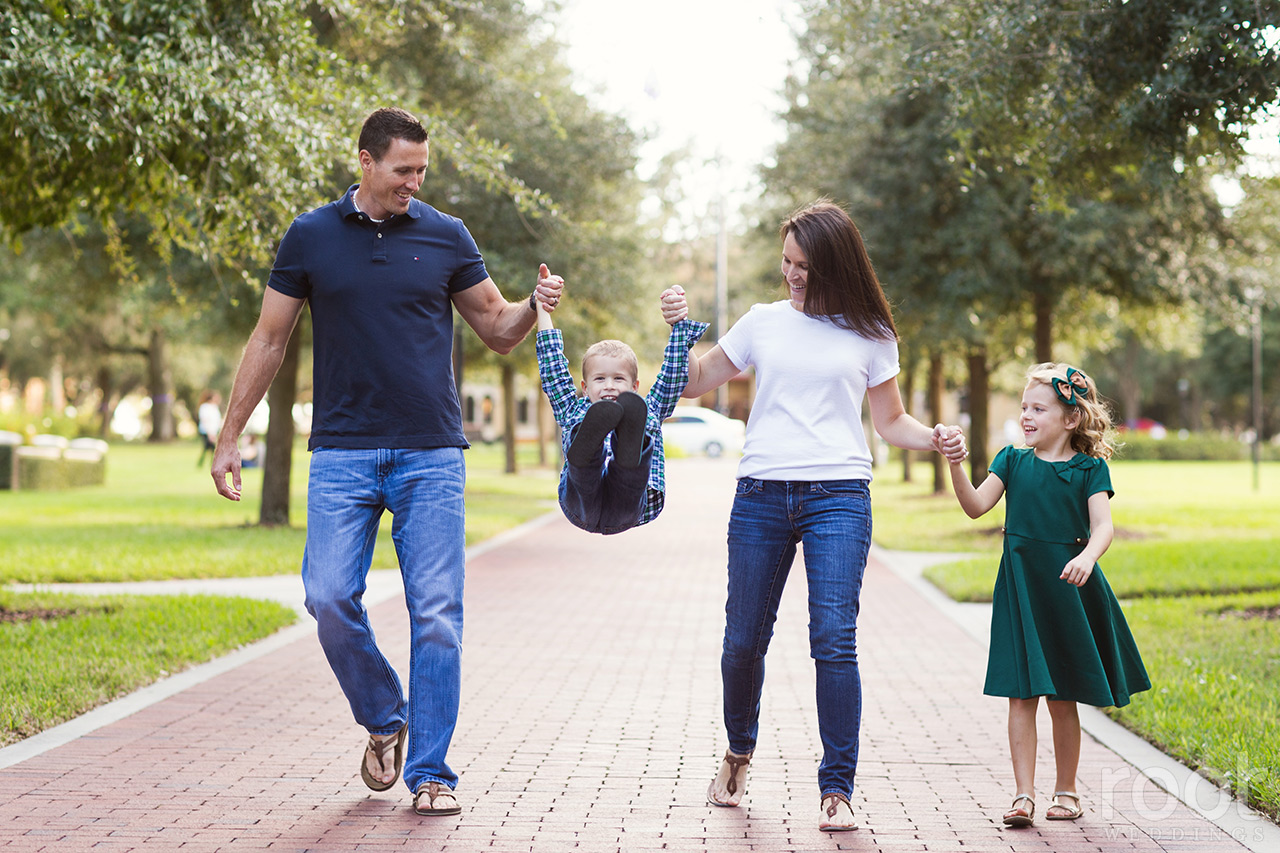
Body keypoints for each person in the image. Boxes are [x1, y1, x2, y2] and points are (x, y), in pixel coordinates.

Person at [210, 107, 564, 817]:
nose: (414, 182)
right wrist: (229, 436)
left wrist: (533, 305)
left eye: (422, 171)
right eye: (403, 169)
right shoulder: (311, 235)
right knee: (328, 597)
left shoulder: (445, 234)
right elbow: (269, 339)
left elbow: (496, 327)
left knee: (437, 613)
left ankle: (432, 771)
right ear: (365, 161)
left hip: (430, 451)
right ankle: (384, 716)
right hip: (341, 451)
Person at [679, 199, 967, 832]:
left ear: (835, 264)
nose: (793, 274)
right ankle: (738, 748)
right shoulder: (762, 322)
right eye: (786, 262)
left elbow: (890, 423)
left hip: (839, 494)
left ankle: (837, 786)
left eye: (804, 264)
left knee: (833, 639)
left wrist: (937, 437)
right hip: (761, 495)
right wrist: (679, 332)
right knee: (742, 640)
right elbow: (694, 381)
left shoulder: (870, 332)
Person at [946, 362, 1150, 828]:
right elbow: (976, 506)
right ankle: (1022, 795)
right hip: (1022, 591)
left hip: (1066, 591)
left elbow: (1103, 527)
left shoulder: (1088, 469)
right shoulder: (1011, 461)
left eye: (1039, 408)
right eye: (1024, 407)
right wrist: (956, 465)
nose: (1026, 415)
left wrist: (1089, 558)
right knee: (1021, 695)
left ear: (1071, 418)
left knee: (1062, 696)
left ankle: (1067, 790)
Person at [535, 271, 707, 534]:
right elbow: (553, 369)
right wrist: (542, 309)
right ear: (584, 387)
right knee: (584, 471)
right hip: (581, 504)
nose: (609, 385)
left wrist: (678, 324)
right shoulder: (572, 409)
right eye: (600, 379)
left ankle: (629, 452)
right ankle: (587, 452)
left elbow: (673, 374)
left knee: (629, 476)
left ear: (634, 386)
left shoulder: (648, 409)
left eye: (618, 378)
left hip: (630, 505)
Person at [196, 390, 222, 468]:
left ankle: (202, 464)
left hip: (214, 431)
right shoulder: (205, 407)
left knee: (208, 448)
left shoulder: (215, 407)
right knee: (211, 448)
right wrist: (209, 433)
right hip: (206, 431)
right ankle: (211, 464)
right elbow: (205, 420)